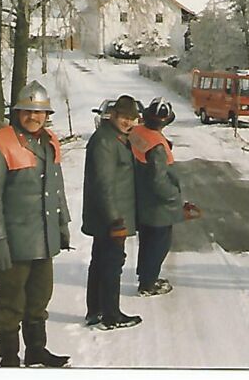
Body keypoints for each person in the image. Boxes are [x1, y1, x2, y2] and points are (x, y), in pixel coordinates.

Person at [0, 80, 71, 367]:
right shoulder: (0, 142)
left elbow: (56, 187)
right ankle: (9, 357)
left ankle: (36, 349)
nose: (33, 117)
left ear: (47, 115)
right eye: (27, 111)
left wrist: (62, 223)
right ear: (17, 112)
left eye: (39, 112)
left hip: (43, 238)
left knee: (39, 297)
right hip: (13, 241)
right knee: (10, 300)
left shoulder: (49, 141)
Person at [129, 97, 200, 297]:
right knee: (158, 245)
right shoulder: (157, 146)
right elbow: (159, 181)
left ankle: (145, 277)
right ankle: (148, 284)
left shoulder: (137, 132)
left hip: (142, 200)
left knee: (146, 242)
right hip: (158, 206)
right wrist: (175, 198)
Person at [82, 95, 142, 330]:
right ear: (114, 115)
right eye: (125, 117)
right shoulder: (106, 141)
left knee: (99, 262)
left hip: (107, 215)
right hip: (111, 216)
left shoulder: (116, 137)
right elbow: (103, 184)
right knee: (111, 263)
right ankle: (110, 315)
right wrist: (115, 220)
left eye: (132, 118)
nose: (129, 122)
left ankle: (95, 311)